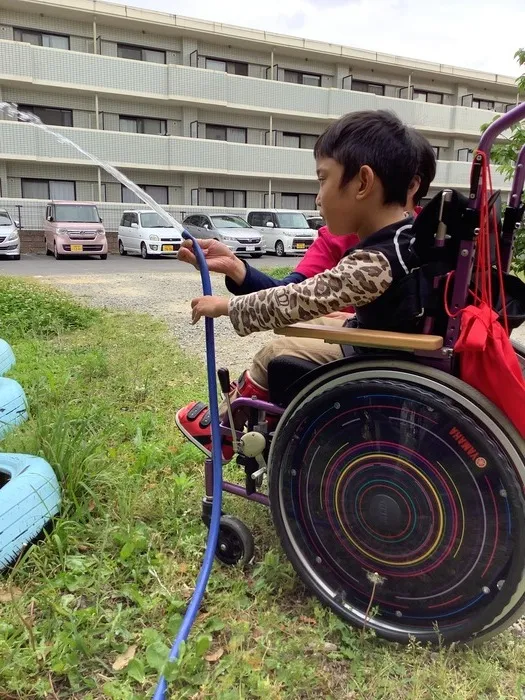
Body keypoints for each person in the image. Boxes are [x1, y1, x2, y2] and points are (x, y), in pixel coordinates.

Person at [176, 110, 427, 459]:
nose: (318, 197)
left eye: (323, 179)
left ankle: (224, 430)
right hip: (388, 345)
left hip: (380, 358)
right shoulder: (407, 239)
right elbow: (300, 294)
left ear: (363, 183)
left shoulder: (376, 260)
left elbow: (300, 297)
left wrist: (226, 306)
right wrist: (236, 268)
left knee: (275, 352)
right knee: (299, 330)